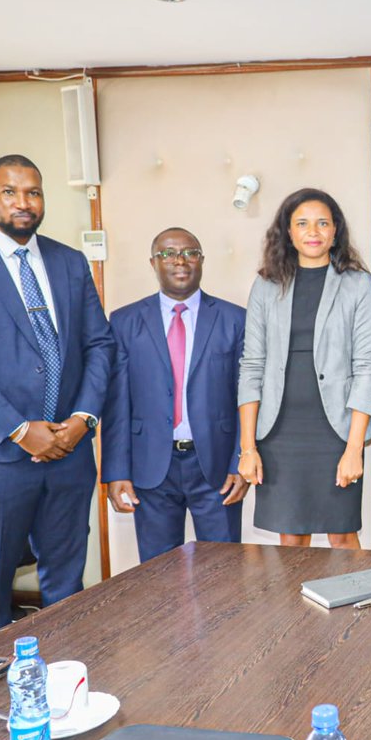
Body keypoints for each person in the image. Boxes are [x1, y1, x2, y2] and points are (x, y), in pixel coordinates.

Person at [0, 154, 114, 639]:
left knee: (66, 576)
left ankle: (67, 673)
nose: (23, 202)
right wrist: (19, 429)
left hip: (69, 448)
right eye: (10, 192)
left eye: (33, 192)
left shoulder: (69, 262)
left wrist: (82, 419)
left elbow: (99, 344)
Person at [237, 188, 371, 549]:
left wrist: (353, 449)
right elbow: (251, 367)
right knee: (292, 536)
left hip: (335, 431)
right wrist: (248, 447)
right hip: (280, 432)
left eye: (322, 223)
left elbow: (366, 369)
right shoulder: (267, 286)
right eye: (302, 223)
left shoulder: (357, 284)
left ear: (335, 231)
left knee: (343, 534)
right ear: (288, 231)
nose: (312, 231)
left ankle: (356, 607)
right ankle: (293, 608)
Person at [102, 227, 248, 562]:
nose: (180, 260)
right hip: (151, 467)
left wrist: (241, 459)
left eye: (190, 252)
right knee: (156, 576)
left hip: (215, 466)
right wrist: (116, 471)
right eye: (168, 253)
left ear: (202, 261)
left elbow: (246, 397)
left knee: (225, 572)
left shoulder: (234, 319)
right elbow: (116, 404)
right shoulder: (124, 321)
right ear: (152, 262)